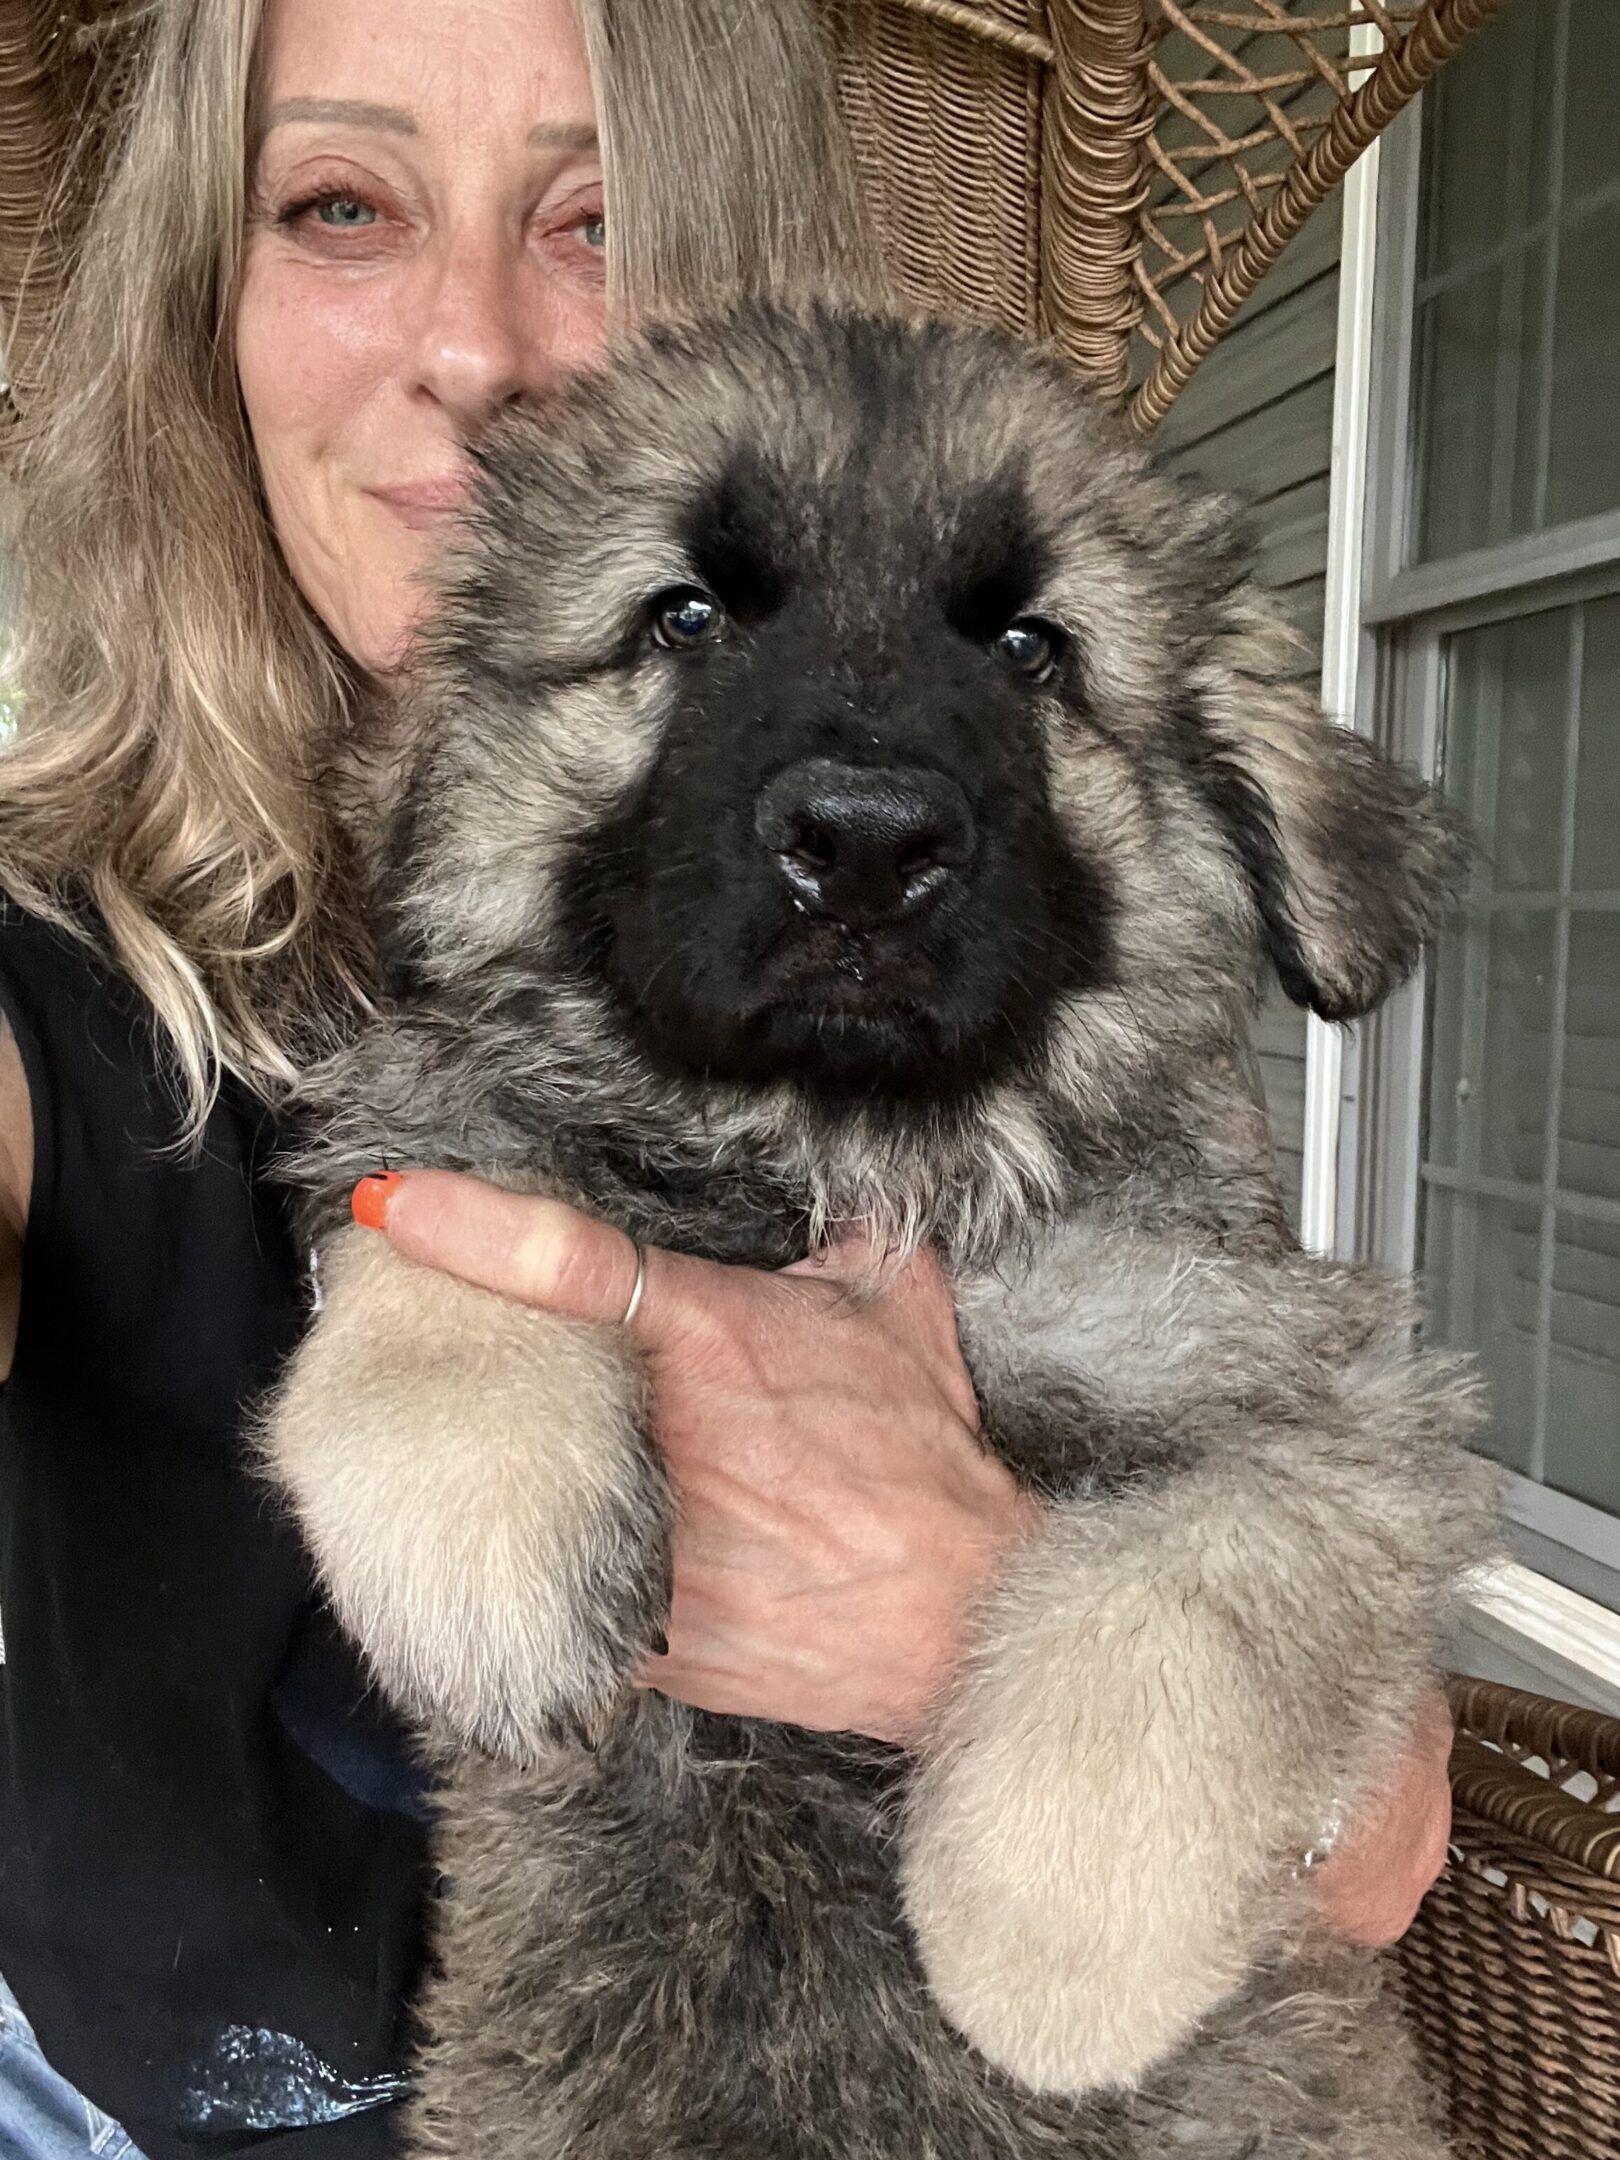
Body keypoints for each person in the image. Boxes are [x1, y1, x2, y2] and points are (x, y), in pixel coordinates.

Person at [0, 2, 1456, 2156]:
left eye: (592, 219)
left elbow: (1383, 1837)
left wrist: (984, 1615)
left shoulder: (1110, 1139)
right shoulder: (62, 976)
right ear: (201, 301)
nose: (481, 352)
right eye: (338, 205)